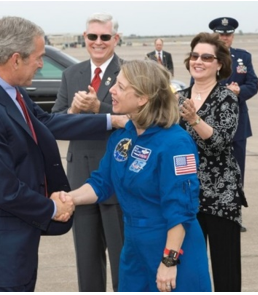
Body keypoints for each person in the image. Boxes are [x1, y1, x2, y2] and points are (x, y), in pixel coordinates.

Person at [0, 16, 126, 292]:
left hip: (11, 241)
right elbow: (4, 190)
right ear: (16, 59)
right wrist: (55, 208)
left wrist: (112, 120)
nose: (42, 64)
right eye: (39, 57)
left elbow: (46, 122)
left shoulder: (7, 90)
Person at [61, 59, 211, 292]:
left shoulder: (175, 143)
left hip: (172, 249)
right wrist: (70, 198)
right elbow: (102, 182)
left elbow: (181, 210)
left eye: (120, 86)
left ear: (142, 99)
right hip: (134, 247)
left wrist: (169, 262)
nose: (111, 90)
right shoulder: (124, 136)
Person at [52, 12, 124, 292]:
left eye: (105, 37)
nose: (98, 42)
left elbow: (139, 117)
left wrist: (99, 109)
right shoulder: (71, 74)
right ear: (84, 38)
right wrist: (73, 111)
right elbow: (55, 123)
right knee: (87, 258)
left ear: (115, 39)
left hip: (116, 175)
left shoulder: (129, 72)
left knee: (121, 256)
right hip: (81, 176)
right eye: (92, 36)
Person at [175, 32, 244, 291]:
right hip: (184, 193)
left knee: (225, 269)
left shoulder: (226, 98)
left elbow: (220, 143)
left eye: (206, 57)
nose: (198, 61)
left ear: (219, 64)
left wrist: (195, 119)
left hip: (220, 196)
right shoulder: (178, 97)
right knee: (188, 267)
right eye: (194, 56)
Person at [209, 17, 258, 190]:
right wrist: (223, 92)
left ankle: (235, 206)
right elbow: (195, 88)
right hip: (212, 123)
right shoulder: (204, 58)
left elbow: (253, 85)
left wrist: (238, 92)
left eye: (228, 34)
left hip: (238, 123)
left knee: (237, 168)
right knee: (214, 169)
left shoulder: (243, 57)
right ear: (214, 35)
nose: (225, 37)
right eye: (221, 34)